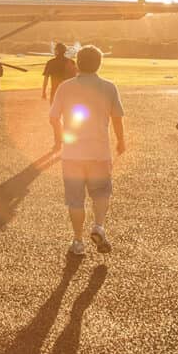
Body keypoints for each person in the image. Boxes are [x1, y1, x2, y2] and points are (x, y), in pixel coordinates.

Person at [48, 45, 125, 256]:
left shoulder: (65, 87)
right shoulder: (109, 87)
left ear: (77, 63)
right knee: (101, 193)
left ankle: (78, 241)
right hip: (99, 152)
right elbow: (117, 117)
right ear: (99, 64)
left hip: (72, 154)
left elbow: (54, 117)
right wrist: (121, 140)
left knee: (75, 200)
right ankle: (99, 226)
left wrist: (62, 136)